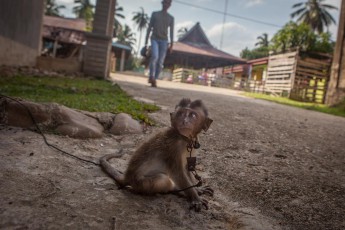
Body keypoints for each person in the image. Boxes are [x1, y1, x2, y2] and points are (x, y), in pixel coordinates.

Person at [144, 0, 174, 87]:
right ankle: (151, 76)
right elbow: (149, 27)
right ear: (162, 3)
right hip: (154, 39)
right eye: (165, 2)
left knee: (160, 63)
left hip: (164, 41)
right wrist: (146, 41)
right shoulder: (155, 14)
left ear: (170, 5)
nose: (166, 4)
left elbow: (171, 32)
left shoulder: (171, 18)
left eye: (168, 3)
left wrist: (172, 44)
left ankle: (154, 79)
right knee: (154, 57)